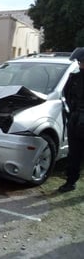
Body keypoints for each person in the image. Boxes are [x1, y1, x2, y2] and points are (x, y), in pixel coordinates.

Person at [58, 47, 84, 192]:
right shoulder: (74, 78)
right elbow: (66, 96)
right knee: (74, 154)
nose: (80, 64)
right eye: (80, 62)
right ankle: (70, 182)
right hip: (75, 121)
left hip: (77, 119)